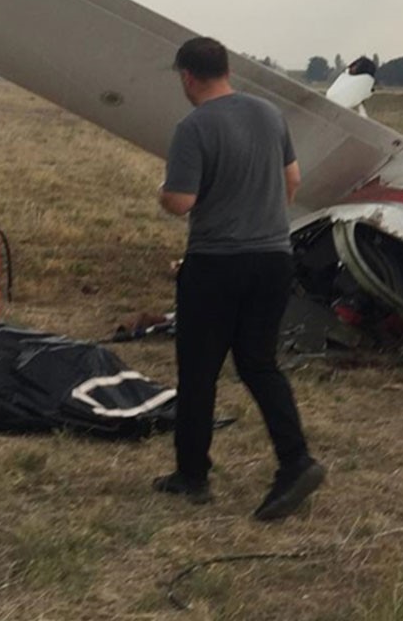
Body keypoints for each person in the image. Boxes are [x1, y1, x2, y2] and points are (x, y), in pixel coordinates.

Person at [152, 36, 325, 520]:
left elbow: (181, 201)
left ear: (188, 77)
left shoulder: (193, 127)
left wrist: (163, 193)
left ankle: (192, 476)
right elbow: (293, 180)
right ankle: (295, 461)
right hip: (273, 258)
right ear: (227, 70)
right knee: (258, 364)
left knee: (199, 371)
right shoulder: (270, 115)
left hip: (216, 264)